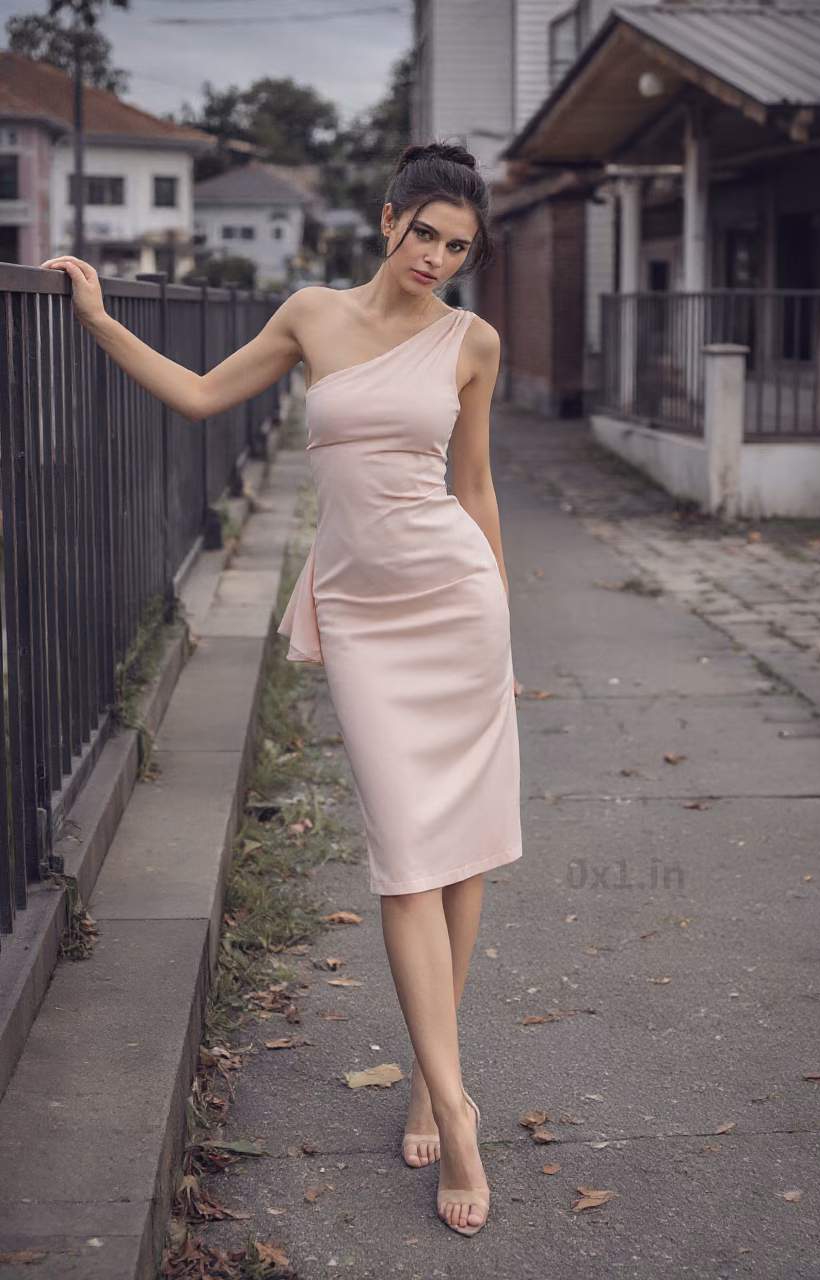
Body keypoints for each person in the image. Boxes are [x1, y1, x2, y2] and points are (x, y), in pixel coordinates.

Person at [40, 138, 523, 1238]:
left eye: (458, 246)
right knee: (407, 849)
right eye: (425, 233)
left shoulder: (472, 341)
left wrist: (507, 638)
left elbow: (477, 485)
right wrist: (102, 320)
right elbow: (205, 396)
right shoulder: (311, 314)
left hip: (457, 608)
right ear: (388, 216)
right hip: (360, 612)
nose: (437, 258)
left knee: (461, 851)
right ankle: (459, 1105)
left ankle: (427, 1078)